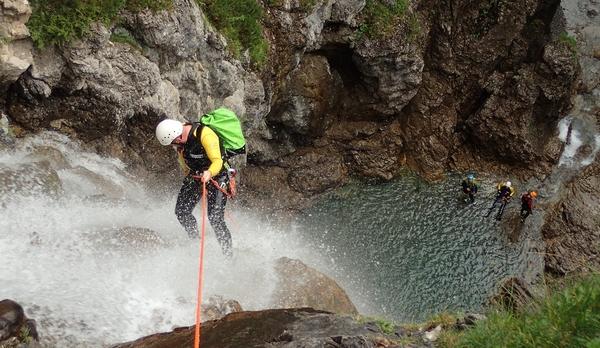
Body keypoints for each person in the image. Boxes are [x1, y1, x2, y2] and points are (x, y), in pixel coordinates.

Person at [155, 118, 232, 257]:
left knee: (215, 218)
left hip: (218, 174)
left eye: (173, 143)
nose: (174, 145)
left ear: (177, 137)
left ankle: (228, 254)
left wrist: (209, 173)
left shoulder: (204, 133)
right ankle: (195, 241)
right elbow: (184, 164)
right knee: (181, 211)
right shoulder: (180, 143)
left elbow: (217, 161)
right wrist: (190, 176)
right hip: (196, 176)